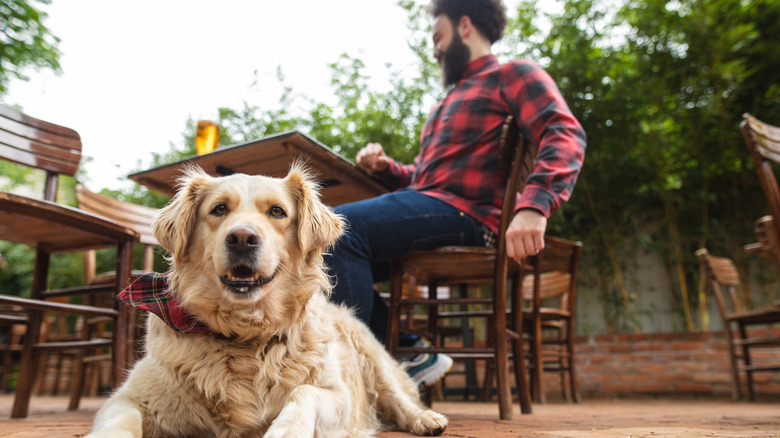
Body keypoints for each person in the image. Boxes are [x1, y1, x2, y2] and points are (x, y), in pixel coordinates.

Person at [324, 0, 587, 388]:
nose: (435, 49)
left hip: (472, 217)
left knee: (337, 230)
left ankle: (366, 374)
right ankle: (405, 354)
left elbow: (564, 134)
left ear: (465, 26)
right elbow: (423, 181)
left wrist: (534, 206)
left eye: (438, 37)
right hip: (437, 208)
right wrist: (386, 168)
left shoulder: (512, 74)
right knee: (316, 250)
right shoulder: (441, 107)